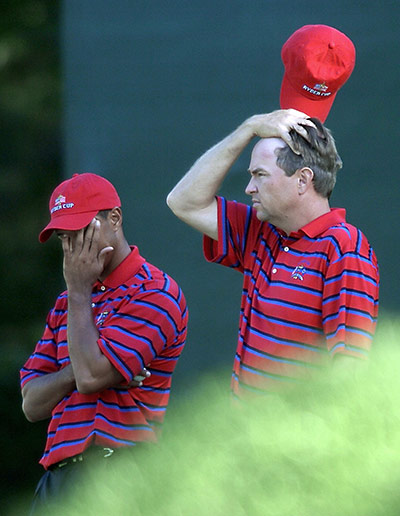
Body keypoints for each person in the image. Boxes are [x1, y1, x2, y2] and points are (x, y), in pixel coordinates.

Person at [167, 109, 379, 399]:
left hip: (291, 442)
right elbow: (183, 202)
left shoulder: (344, 247)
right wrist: (249, 128)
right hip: (248, 437)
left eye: (260, 175)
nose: (249, 187)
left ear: (303, 180)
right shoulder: (263, 230)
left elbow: (350, 366)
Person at [20, 173, 188, 512]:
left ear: (114, 219)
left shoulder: (156, 292)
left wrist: (79, 292)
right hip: (58, 479)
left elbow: (92, 377)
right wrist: (77, 368)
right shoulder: (65, 304)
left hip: (121, 472)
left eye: (81, 232)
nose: (72, 248)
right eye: (64, 238)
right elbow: (32, 404)